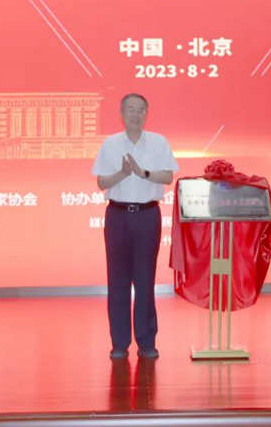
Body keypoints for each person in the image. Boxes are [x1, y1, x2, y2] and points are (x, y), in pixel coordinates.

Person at [92, 93, 178, 360]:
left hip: (147, 216)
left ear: (146, 113)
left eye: (141, 109)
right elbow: (101, 183)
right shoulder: (110, 144)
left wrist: (143, 173)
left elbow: (168, 176)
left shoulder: (158, 142)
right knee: (117, 281)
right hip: (117, 216)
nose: (135, 114)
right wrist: (123, 173)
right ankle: (119, 344)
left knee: (145, 281)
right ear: (121, 113)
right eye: (130, 109)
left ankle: (146, 342)